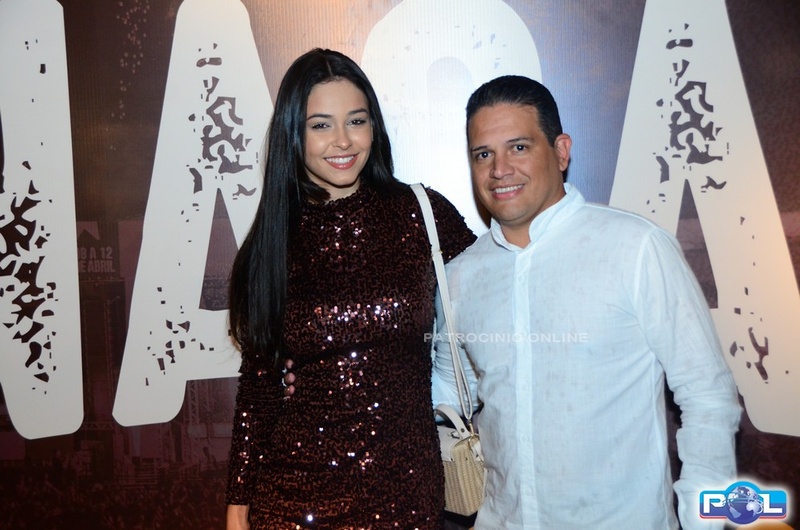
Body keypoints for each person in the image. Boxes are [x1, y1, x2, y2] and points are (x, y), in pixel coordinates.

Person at [431, 75, 741, 530]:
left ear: (561, 151)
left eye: (519, 147)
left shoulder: (635, 248)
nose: (499, 169)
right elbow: (450, 389)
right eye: (483, 154)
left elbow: (708, 395)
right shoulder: (460, 276)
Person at [225, 48, 475, 530]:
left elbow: (496, 293)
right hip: (293, 500)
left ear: (374, 127)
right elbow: (259, 390)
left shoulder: (420, 214)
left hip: (408, 494)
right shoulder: (274, 242)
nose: (342, 140)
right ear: (293, 133)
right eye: (321, 125)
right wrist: (237, 508)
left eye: (356, 121)